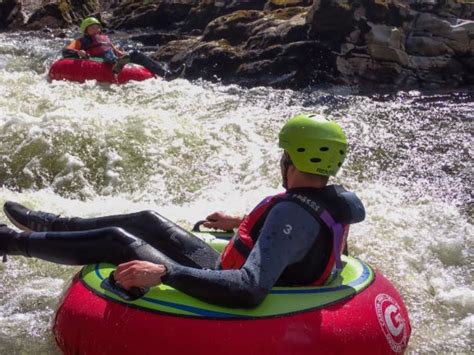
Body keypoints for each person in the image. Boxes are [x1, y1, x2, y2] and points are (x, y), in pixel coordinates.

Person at [0, 114, 365, 308]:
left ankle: (12, 241)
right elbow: (307, 242)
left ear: (291, 157)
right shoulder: (332, 198)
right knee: (147, 220)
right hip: (236, 270)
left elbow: (249, 290)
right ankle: (54, 223)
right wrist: (240, 224)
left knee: (117, 241)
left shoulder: (292, 215)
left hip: (235, 289)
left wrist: (163, 273)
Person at [63, 17, 171, 76]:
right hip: (96, 59)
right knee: (107, 54)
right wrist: (79, 52)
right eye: (92, 28)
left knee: (136, 53)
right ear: (86, 31)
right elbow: (66, 51)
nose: (96, 30)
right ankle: (116, 64)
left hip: (113, 58)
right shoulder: (80, 41)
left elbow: (115, 50)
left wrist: (123, 55)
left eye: (97, 27)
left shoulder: (105, 38)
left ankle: (166, 74)